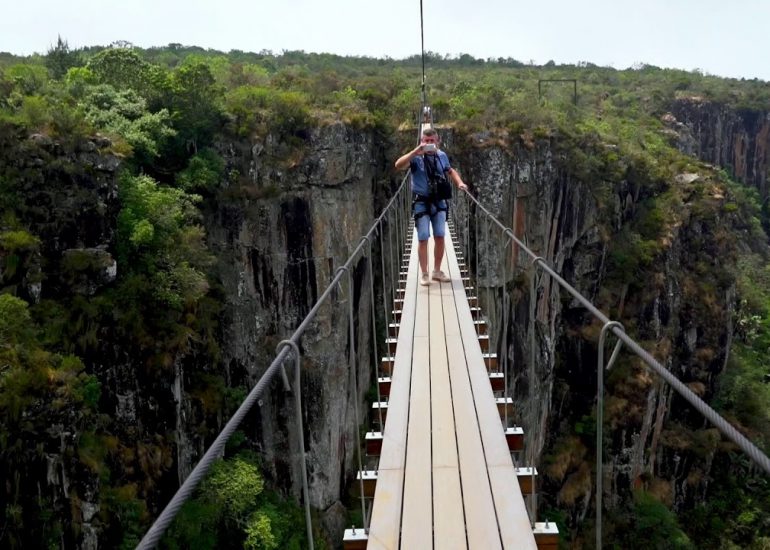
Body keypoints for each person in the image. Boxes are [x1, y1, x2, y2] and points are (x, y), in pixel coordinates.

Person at [394, 128, 468, 286]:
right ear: (421, 141)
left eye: (431, 141)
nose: (429, 143)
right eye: (426, 141)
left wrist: (460, 183)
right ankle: (424, 274)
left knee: (440, 235)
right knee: (423, 237)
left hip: (439, 202)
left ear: (437, 141)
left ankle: (437, 271)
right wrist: (415, 152)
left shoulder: (442, 156)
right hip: (421, 202)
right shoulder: (415, 158)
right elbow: (398, 165)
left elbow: (450, 171)